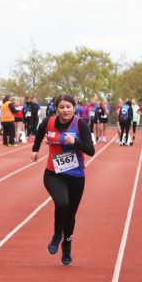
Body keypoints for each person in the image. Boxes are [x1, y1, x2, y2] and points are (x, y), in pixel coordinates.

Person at [31, 94, 95, 266]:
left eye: (68, 106)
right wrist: (35, 149)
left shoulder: (80, 124)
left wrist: (75, 141)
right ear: (56, 108)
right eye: (61, 107)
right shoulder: (49, 122)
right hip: (54, 173)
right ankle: (57, 234)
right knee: (62, 203)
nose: (65, 110)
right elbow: (39, 132)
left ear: (74, 108)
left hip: (76, 177)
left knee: (71, 215)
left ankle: (67, 246)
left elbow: (91, 150)